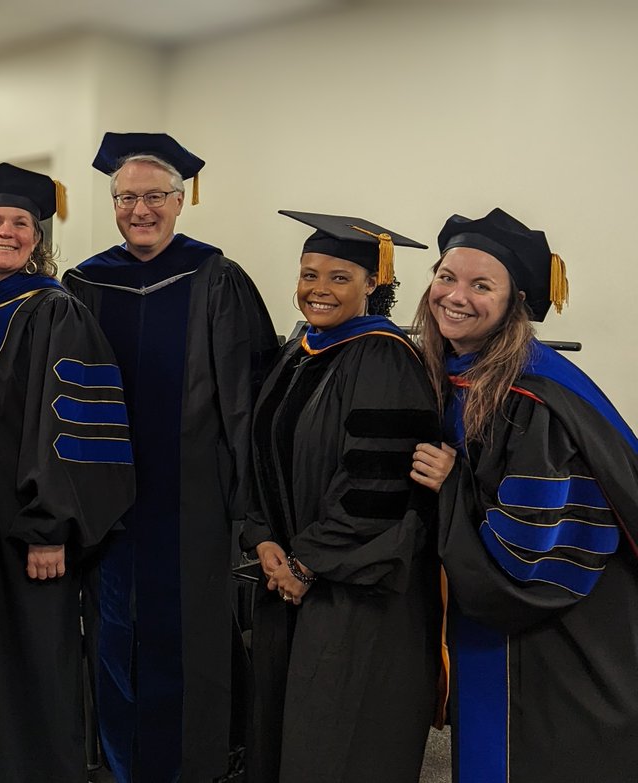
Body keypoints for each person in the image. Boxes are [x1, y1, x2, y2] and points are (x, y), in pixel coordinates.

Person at [62, 132, 278, 783]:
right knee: (113, 635)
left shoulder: (216, 278)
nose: (140, 209)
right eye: (127, 197)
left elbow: (247, 403)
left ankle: (196, 766)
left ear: (181, 201)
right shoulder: (85, 283)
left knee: (194, 645)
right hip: (110, 505)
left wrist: (251, 509)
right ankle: (121, 765)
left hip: (194, 504)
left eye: (154, 195)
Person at [0, 163, 136, 782]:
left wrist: (50, 526)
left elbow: (76, 428)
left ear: (37, 239)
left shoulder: (54, 313)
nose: (6, 231)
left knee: (29, 666)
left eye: (21, 222)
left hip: (19, 536)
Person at [409, 208, 638, 783]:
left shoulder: (531, 397)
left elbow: (530, 563)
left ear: (515, 302)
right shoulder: (459, 370)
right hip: (504, 616)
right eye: (446, 276)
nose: (454, 296)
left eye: (481, 285)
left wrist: (450, 485)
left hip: (558, 626)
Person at [240, 211, 442, 783]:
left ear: (372, 284)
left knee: (337, 738)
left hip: (354, 584)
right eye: (308, 275)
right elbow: (261, 453)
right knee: (283, 735)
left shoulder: (383, 357)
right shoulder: (297, 351)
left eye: (338, 277)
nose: (318, 290)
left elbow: (378, 484)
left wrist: (306, 561)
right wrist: (263, 540)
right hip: (286, 573)